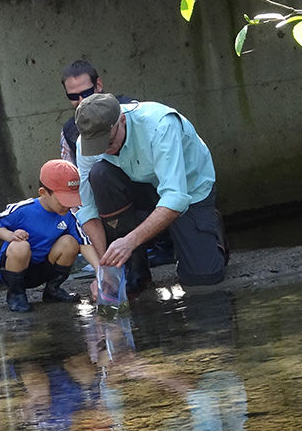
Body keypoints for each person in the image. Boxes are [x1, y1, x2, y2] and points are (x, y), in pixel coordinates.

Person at [74, 94, 228, 295]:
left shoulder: (161, 125)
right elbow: (88, 209)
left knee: (203, 278)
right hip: (141, 187)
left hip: (188, 192)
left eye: (109, 142)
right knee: (100, 174)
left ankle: (211, 231)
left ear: (122, 120)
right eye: (97, 146)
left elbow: (175, 197)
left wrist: (130, 241)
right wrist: (105, 270)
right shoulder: (85, 143)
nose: (104, 150)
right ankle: (135, 270)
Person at [0, 159, 99, 312]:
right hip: (13, 269)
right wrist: (10, 235)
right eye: (62, 200)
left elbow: (84, 242)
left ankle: (53, 290)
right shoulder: (23, 209)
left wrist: (101, 273)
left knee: (70, 242)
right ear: (44, 193)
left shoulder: (68, 216)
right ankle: (16, 294)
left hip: (42, 269)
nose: (68, 206)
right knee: (21, 246)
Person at [58, 59, 134, 161]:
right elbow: (71, 172)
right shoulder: (69, 132)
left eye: (87, 93)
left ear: (98, 85)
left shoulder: (130, 109)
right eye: (73, 96)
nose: (81, 100)